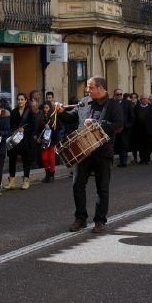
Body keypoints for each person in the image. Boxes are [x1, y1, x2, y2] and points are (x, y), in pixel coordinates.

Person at [56, 76, 124, 234]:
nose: (88, 90)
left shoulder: (113, 104)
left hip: (103, 152)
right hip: (83, 152)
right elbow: (71, 117)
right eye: (88, 87)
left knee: (102, 188)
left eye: (91, 87)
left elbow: (118, 125)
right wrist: (60, 112)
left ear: (101, 88)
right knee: (77, 185)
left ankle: (100, 220)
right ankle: (80, 218)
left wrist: (97, 124)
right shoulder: (85, 101)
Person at [4, 93, 36, 190]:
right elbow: (10, 125)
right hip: (15, 138)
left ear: (26, 100)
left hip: (25, 140)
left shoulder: (30, 112)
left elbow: (34, 127)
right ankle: (12, 182)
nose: (20, 101)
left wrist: (24, 130)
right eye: (18, 99)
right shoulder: (13, 112)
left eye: (22, 99)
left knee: (26, 160)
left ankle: (26, 181)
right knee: (12, 160)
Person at [132, 94, 152, 164]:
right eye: (143, 98)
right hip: (139, 130)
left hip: (149, 130)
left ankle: (147, 157)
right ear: (140, 99)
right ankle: (142, 159)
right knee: (141, 145)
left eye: (146, 98)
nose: (145, 100)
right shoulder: (136, 107)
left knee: (148, 145)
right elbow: (134, 118)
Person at [38, 101, 59, 182]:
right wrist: (44, 125)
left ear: (50, 108)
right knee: (44, 158)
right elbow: (39, 128)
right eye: (44, 108)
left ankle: (52, 175)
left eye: (47, 108)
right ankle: (47, 174)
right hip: (44, 140)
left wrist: (50, 126)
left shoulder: (54, 116)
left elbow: (58, 128)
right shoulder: (41, 116)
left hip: (52, 140)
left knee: (51, 158)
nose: (45, 110)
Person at [113, 88, 134, 167]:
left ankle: (123, 162)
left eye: (120, 94)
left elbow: (132, 116)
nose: (119, 96)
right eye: (117, 94)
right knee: (117, 145)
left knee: (124, 145)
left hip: (125, 129)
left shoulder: (127, 103)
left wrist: (127, 126)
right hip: (114, 128)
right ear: (114, 95)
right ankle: (118, 161)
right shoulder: (111, 103)